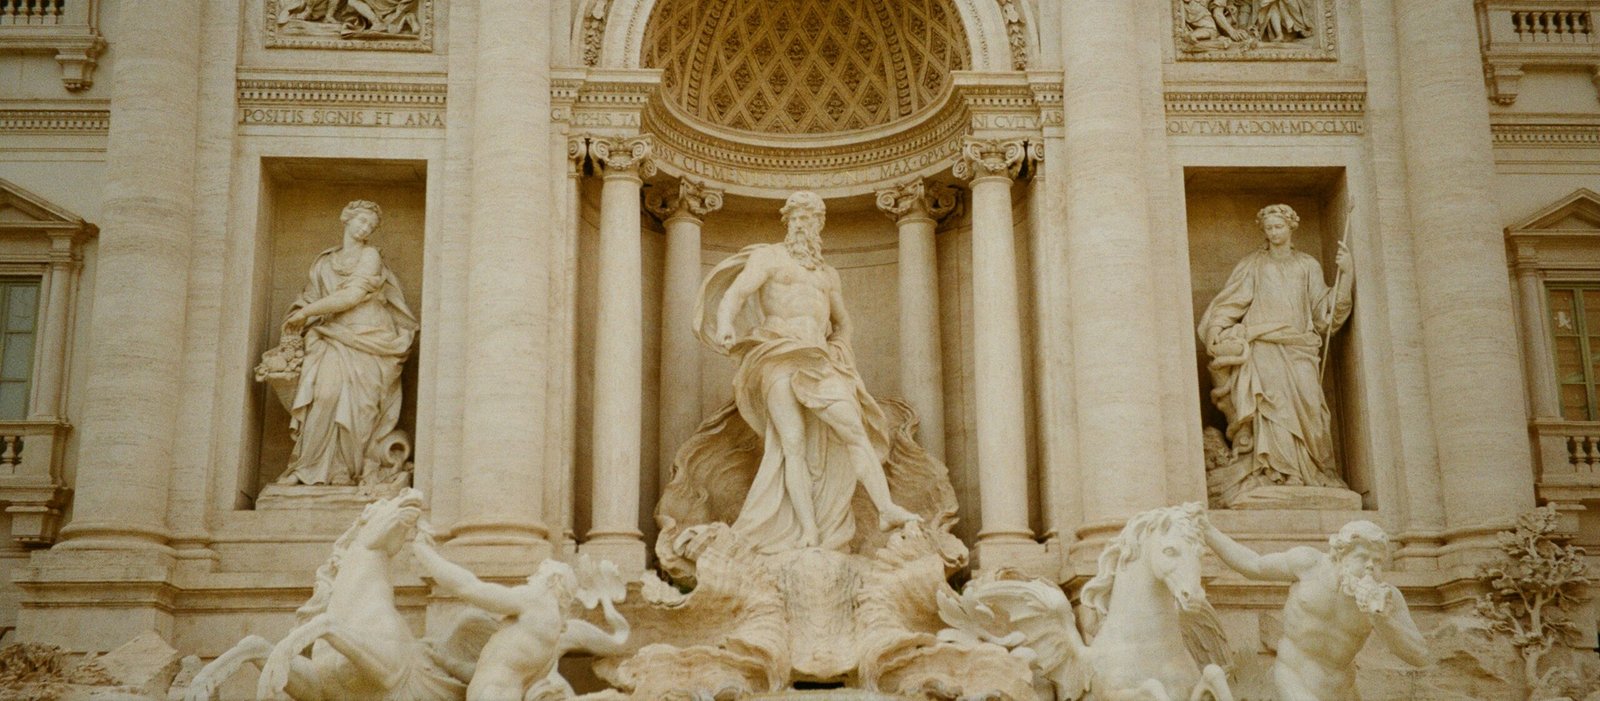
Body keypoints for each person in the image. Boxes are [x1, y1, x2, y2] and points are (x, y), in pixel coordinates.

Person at [695, 191, 921, 553]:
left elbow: (843, 322)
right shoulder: (769, 258)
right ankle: (808, 530)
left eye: (812, 218)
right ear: (788, 221)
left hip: (818, 359)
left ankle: (886, 509)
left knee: (855, 430)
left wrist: (840, 349)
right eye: (798, 217)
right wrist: (725, 325)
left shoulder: (827, 276)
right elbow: (735, 295)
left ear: (820, 225)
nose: (804, 224)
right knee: (792, 443)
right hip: (776, 354)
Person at [1197, 203, 1352, 506]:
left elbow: (1325, 315)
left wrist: (1346, 275)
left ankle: (1314, 471)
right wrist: (1217, 327)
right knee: (1272, 408)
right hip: (1264, 347)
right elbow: (1231, 302)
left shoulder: (1308, 265)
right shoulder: (1254, 264)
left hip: (1299, 348)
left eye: (1278, 226)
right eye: (1268, 228)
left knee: (1311, 408)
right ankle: (1276, 473)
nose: (1273, 232)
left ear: (1291, 227)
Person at [1202, 518, 1429, 700]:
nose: (1371, 566)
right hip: (1293, 677)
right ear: (1341, 555)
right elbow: (1253, 565)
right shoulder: (1309, 565)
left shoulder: (1387, 598)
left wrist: (1382, 619)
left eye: (1377, 561)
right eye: (1363, 558)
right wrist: (1208, 531)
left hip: (1343, 689)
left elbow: (1420, 655)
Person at [278, 200, 417, 486]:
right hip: (333, 336)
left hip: (370, 338)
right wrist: (302, 315)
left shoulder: (370, 256)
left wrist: (306, 314)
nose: (365, 228)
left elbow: (352, 296)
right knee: (326, 395)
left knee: (362, 408)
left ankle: (346, 470)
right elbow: (309, 297)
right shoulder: (324, 262)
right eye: (361, 221)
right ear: (346, 219)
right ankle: (308, 467)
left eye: (371, 225)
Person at [411, 529, 629, 701]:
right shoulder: (552, 633)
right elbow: (497, 670)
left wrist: (424, 553)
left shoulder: (536, 601)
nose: (530, 579)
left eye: (538, 574)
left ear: (552, 581)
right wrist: (448, 663)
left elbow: (468, 588)